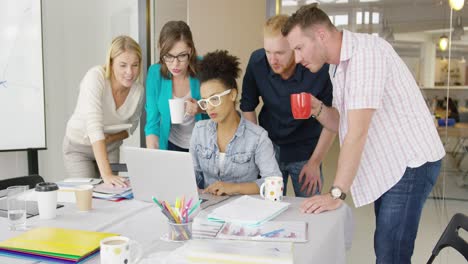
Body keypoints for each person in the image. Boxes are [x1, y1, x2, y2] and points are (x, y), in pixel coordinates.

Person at [282, 4, 445, 263]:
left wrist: (336, 193)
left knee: (390, 252)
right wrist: (318, 109)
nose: (297, 58)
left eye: (299, 48)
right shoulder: (338, 66)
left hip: (410, 162)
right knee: (387, 245)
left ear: (321, 34)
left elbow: (356, 133)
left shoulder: (365, 55)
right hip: (392, 162)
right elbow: (342, 122)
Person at [241, 15, 335, 197]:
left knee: (310, 210)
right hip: (270, 146)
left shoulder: (318, 69)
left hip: (307, 150)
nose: (272, 59)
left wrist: (315, 162)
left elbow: (332, 121)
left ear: (294, 48)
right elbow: (247, 106)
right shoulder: (257, 61)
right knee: (268, 207)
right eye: (268, 51)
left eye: (280, 53)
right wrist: (259, 149)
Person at [190, 50, 281, 196]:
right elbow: (191, 176)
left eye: (214, 99)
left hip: (243, 211)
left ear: (232, 94)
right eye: (205, 101)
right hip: (207, 211)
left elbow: (275, 183)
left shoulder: (258, 138)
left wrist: (234, 188)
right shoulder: (199, 131)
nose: (209, 107)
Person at [63, 35, 144, 187]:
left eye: (135, 65)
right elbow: (94, 127)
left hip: (110, 147)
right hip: (79, 147)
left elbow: (132, 126)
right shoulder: (95, 77)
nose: (130, 72)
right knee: (88, 194)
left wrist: (111, 139)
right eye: (123, 65)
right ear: (111, 63)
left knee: (112, 194)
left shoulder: (138, 91)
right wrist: (106, 174)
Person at [145, 21, 206, 152]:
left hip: (204, 145)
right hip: (171, 144)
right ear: (161, 50)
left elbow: (222, 105)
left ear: (191, 50)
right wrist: (152, 155)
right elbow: (152, 122)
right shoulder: (155, 73)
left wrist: (200, 108)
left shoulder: (204, 67)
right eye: (169, 56)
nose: (175, 64)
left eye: (182, 55)